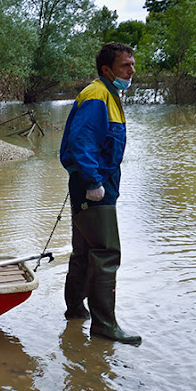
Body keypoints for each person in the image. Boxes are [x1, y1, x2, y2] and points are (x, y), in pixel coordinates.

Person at [59, 42, 142, 345]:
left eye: (132, 64)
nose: (132, 71)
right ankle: (105, 325)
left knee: (84, 249)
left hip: (90, 184)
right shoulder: (98, 95)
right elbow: (82, 141)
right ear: (107, 69)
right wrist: (93, 182)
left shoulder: (107, 93)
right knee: (106, 253)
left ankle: (75, 312)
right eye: (125, 66)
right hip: (93, 188)